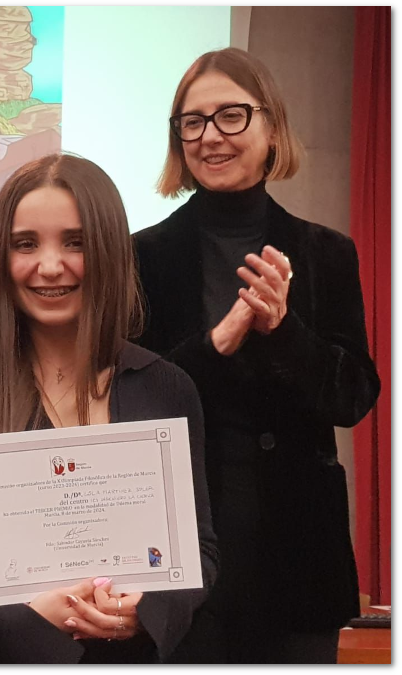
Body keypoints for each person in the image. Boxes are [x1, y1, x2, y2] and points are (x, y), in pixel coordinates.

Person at [0, 154, 218, 664]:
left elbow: (198, 552)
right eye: (25, 244)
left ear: (110, 251)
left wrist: (145, 612)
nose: (49, 266)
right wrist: (11, 614)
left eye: (75, 242)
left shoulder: (166, 388)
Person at [132, 47, 381, 664]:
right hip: (185, 559)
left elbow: (353, 397)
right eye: (193, 122)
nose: (210, 136)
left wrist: (283, 329)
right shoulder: (142, 256)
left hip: (299, 563)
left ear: (271, 127)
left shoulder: (327, 252)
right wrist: (216, 344)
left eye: (231, 115)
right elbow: (130, 406)